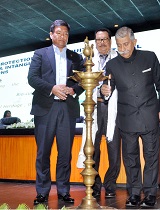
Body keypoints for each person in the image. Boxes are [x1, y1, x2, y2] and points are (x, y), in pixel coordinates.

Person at [101, 26, 160, 208]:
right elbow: (108, 89)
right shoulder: (112, 65)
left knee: (151, 156)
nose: (122, 49)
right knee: (130, 158)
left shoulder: (150, 57)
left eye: (126, 44)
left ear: (134, 42)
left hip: (149, 116)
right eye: (119, 45)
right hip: (126, 118)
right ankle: (134, 193)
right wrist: (103, 90)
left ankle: (151, 193)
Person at [28, 19, 84, 205]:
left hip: (66, 108)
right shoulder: (40, 54)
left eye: (66, 33)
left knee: (65, 153)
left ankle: (63, 191)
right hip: (45, 109)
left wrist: (74, 89)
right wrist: (52, 88)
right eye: (59, 33)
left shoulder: (75, 58)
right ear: (51, 34)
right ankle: (42, 192)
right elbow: (32, 78)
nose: (62, 36)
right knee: (43, 152)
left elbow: (83, 80)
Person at [77, 28, 121, 199]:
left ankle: (110, 185)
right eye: (98, 40)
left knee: (114, 150)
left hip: (113, 108)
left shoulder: (118, 59)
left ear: (110, 41)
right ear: (95, 43)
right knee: (92, 150)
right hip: (94, 109)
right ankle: (94, 185)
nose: (102, 42)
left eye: (105, 39)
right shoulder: (89, 61)